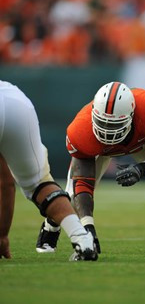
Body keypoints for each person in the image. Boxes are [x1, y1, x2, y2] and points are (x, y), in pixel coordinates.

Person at [36, 81, 145, 254]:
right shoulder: (80, 129)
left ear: (132, 115)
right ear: (93, 115)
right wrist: (89, 230)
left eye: (114, 125)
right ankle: (50, 227)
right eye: (103, 123)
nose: (107, 131)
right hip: (99, 150)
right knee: (72, 195)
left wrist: (141, 169)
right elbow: (83, 183)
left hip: (141, 143)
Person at [0, 80, 97, 261]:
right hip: (13, 99)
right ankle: (82, 238)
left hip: (14, 99)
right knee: (38, 184)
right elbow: (5, 184)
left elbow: (5, 183)